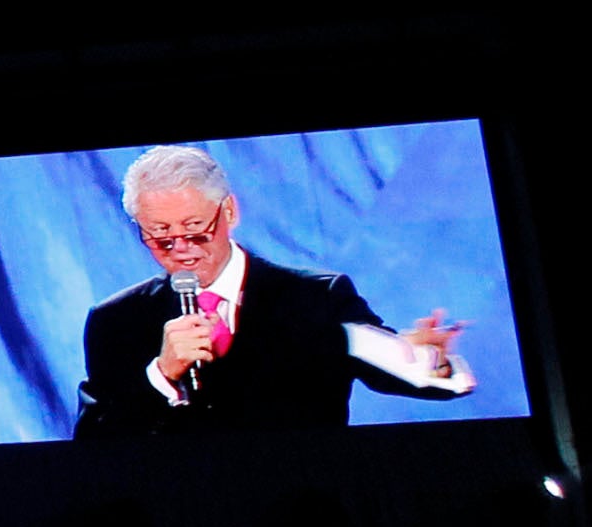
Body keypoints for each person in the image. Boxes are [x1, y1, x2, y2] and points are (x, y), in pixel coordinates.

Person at [73, 143, 478, 436]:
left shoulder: (317, 298)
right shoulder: (115, 320)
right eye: (161, 236)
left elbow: (390, 364)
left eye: (196, 231)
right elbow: (94, 441)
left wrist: (430, 362)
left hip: (302, 514)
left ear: (228, 211)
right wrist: (161, 375)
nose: (181, 250)